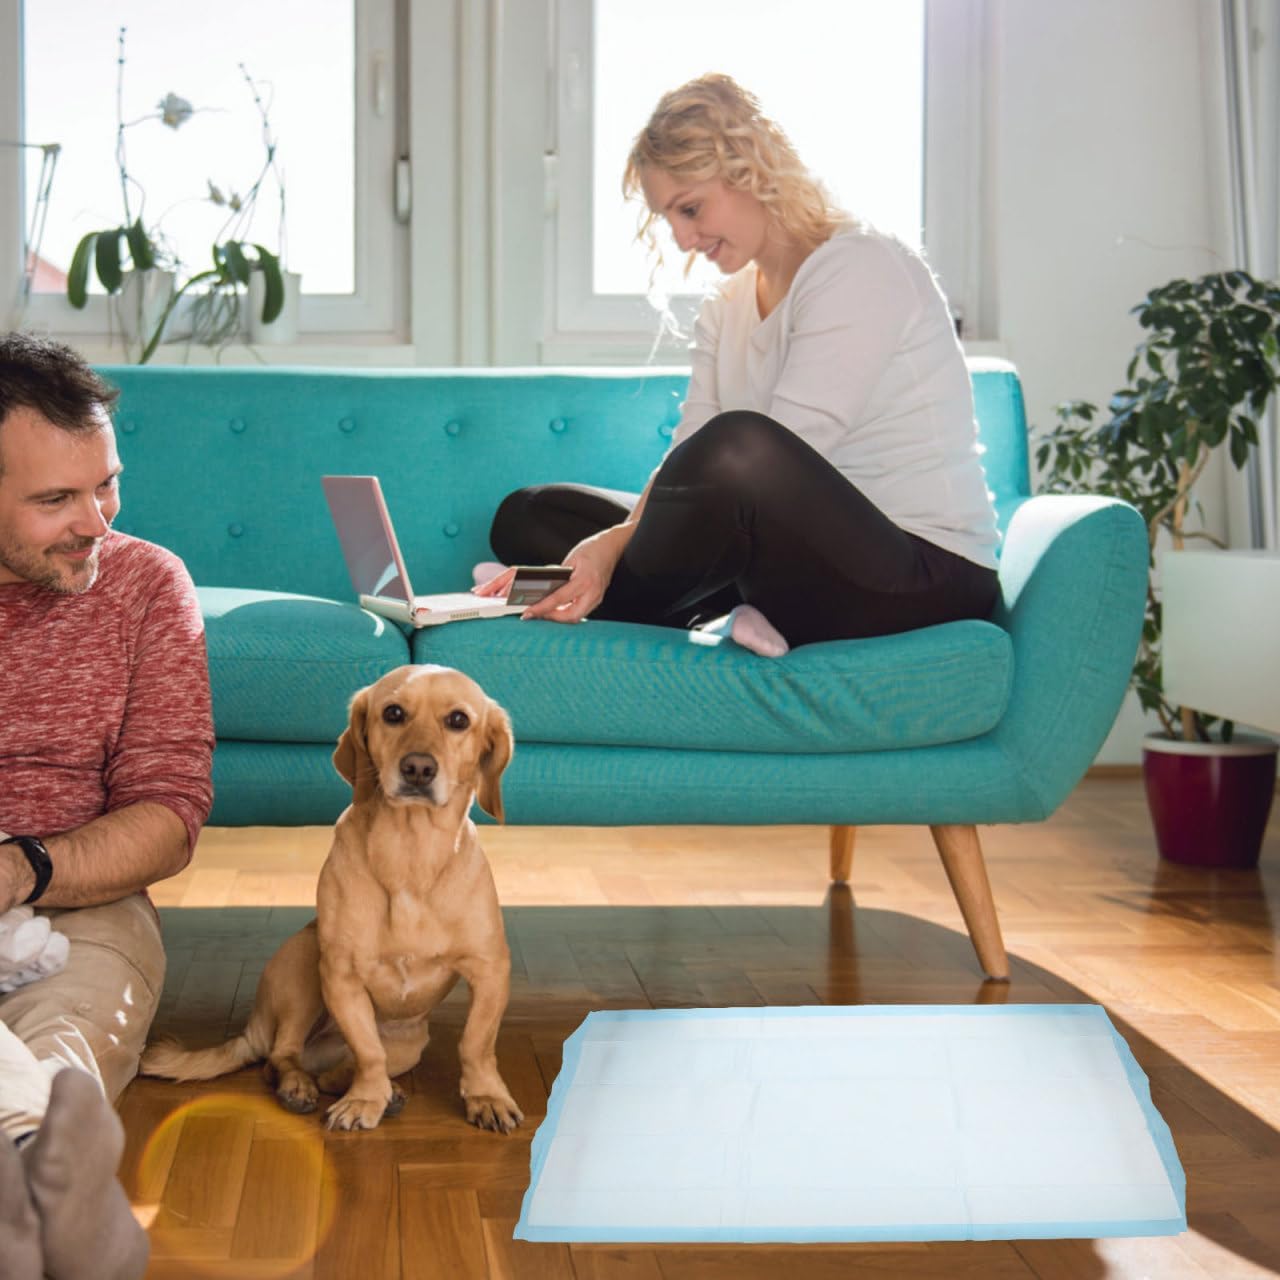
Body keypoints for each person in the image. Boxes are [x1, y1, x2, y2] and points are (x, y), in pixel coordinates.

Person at [477, 74, 1000, 658]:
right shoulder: (727, 305)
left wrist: (615, 548)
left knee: (739, 449)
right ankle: (698, 608)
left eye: (690, 208)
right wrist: (609, 542)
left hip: (921, 577)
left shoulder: (858, 266)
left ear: (749, 170)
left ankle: (597, 598)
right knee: (532, 515)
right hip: (788, 560)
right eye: (669, 218)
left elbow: (779, 459)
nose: (682, 239)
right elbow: (686, 458)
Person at [0, 331, 215, 1279]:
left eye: (107, 485)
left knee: (70, 1033)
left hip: (79, 900)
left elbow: (169, 811)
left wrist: (24, 868)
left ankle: (40, 1171)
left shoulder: (145, 583)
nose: (95, 522)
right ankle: (34, 1186)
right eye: (55, 500)